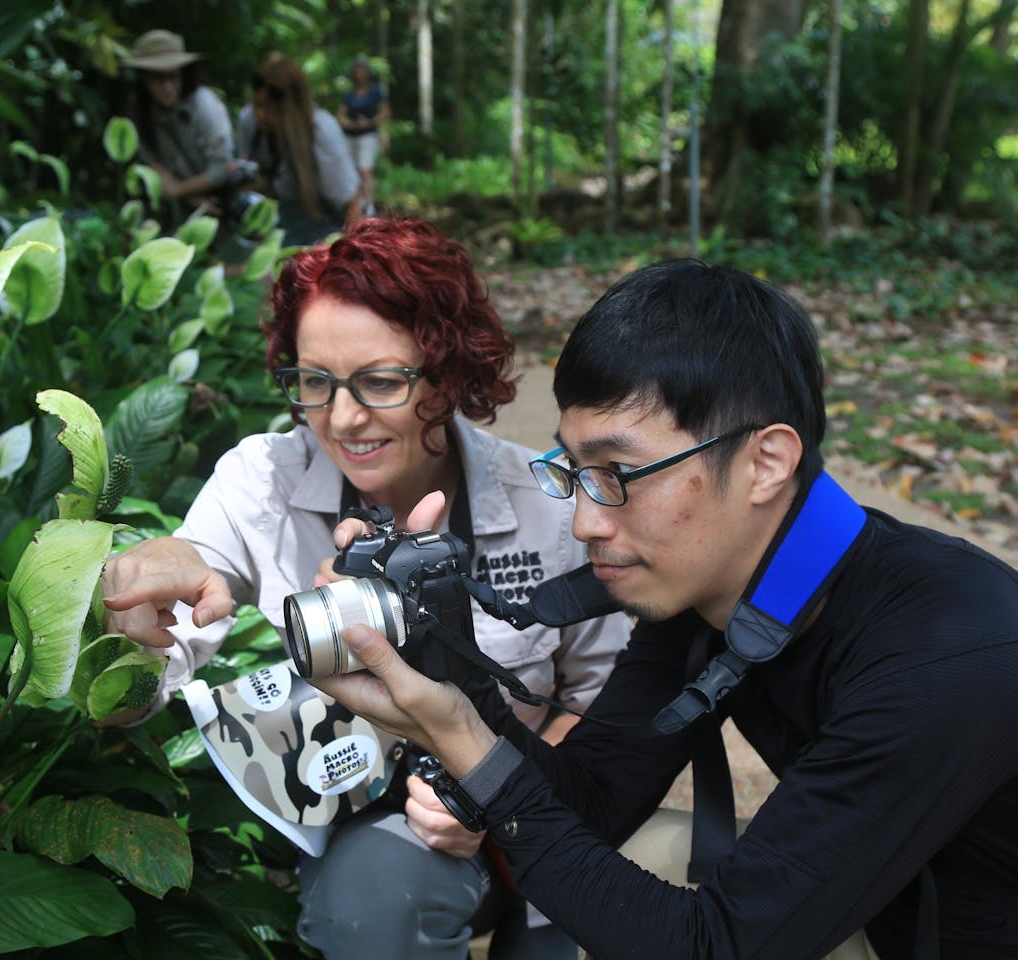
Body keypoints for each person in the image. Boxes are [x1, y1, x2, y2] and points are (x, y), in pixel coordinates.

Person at [311, 260, 1018, 959]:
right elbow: (594, 800)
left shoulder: (948, 660)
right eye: (575, 470)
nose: (586, 520)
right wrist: (453, 677)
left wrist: (464, 742)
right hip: (893, 919)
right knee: (636, 857)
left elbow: (714, 944)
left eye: (620, 471)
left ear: (766, 462)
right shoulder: (721, 587)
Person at [101, 217, 630, 959]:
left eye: (380, 381)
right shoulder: (264, 481)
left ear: (447, 375)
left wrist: (502, 794)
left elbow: (602, 707)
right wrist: (132, 615)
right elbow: (170, 631)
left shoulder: (545, 506)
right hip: (351, 822)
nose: (343, 419)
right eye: (314, 382)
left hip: (525, 811)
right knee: (378, 893)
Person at [236, 55, 363, 245]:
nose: (261, 115)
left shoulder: (321, 131)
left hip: (328, 222)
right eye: (258, 105)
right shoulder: (250, 122)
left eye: (271, 108)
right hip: (285, 219)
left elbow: (351, 203)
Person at [121, 30, 243, 217]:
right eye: (158, 79)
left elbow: (221, 167)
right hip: (179, 209)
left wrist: (178, 190)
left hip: (222, 201)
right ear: (144, 79)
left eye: (173, 77)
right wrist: (189, 197)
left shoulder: (204, 104)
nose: (168, 87)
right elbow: (149, 159)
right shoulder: (140, 110)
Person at [337, 55, 390, 215]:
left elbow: (385, 113)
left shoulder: (376, 92)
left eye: (362, 69)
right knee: (352, 171)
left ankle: (369, 205)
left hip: (368, 135)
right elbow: (340, 116)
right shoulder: (349, 94)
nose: (359, 72)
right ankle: (356, 203)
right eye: (357, 69)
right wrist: (349, 123)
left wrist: (369, 122)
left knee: (365, 169)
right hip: (350, 136)